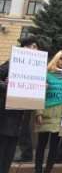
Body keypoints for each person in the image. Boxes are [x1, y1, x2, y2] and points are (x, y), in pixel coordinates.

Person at [0, 36, 39, 173]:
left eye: (36, 47)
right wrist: (5, 85)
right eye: (31, 46)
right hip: (6, 114)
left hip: (20, 117)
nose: (34, 49)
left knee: (9, 152)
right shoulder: (11, 64)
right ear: (23, 48)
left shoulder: (36, 70)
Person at [35, 50, 62, 173]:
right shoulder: (47, 75)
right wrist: (39, 112)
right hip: (46, 113)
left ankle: (48, 170)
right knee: (41, 145)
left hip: (61, 115)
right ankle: (37, 170)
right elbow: (39, 94)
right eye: (61, 58)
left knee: (54, 146)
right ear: (56, 59)